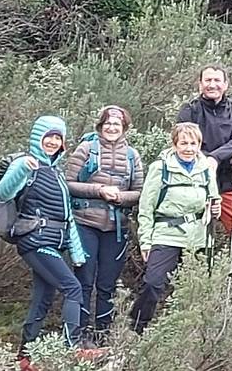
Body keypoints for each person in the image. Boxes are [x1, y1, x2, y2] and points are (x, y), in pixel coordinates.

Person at [0, 116, 92, 364]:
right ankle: (74, 348)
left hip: (51, 243)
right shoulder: (25, 164)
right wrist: (21, 168)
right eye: (48, 136)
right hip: (36, 241)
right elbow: (3, 192)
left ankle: (25, 357)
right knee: (72, 288)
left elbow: (67, 217)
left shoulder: (56, 173)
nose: (52, 141)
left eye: (57, 137)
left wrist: (77, 253)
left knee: (42, 299)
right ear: (37, 138)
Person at [129, 122, 220, 334]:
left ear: (199, 144)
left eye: (193, 143)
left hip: (198, 236)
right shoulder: (160, 168)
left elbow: (213, 197)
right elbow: (146, 207)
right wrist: (146, 241)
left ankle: (188, 332)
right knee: (153, 283)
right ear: (174, 144)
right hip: (166, 233)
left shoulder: (206, 167)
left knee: (195, 286)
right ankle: (136, 328)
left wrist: (215, 208)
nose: (188, 148)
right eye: (184, 143)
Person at [64, 106, 144, 342]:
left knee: (108, 284)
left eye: (116, 125)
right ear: (100, 125)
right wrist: (98, 190)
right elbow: (67, 183)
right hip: (84, 224)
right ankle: (78, 333)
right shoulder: (86, 149)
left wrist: (121, 197)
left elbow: (139, 191)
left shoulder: (132, 155)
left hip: (116, 229)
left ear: (124, 128)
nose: (111, 128)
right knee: (83, 281)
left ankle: (103, 333)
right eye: (107, 123)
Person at [177, 65, 232, 276]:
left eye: (217, 80)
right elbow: (185, 143)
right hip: (195, 186)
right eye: (207, 80)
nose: (212, 85)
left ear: (225, 84)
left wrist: (215, 157)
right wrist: (206, 160)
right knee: (194, 243)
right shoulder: (190, 110)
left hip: (228, 184)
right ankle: (192, 288)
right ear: (200, 84)